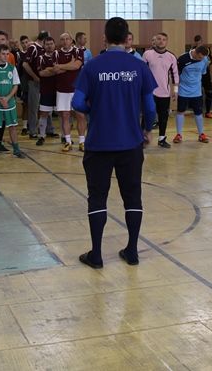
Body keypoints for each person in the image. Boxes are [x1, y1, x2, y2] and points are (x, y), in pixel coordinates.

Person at [71, 17, 157, 268]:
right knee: (133, 197)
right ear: (127, 38)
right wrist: (146, 130)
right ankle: (132, 251)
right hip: (130, 142)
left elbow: (77, 102)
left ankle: (96, 255)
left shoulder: (92, 66)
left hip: (99, 143)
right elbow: (150, 107)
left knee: (98, 197)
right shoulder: (139, 66)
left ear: (104, 38)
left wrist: (95, 109)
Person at [142, 32, 178, 148]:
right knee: (147, 115)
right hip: (150, 92)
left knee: (163, 117)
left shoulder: (171, 57)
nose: (161, 41)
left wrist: (175, 91)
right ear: (155, 40)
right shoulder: (147, 54)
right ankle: (142, 138)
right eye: (159, 39)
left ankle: (162, 139)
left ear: (166, 42)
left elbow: (175, 75)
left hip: (164, 93)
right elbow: (142, 73)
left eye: (164, 39)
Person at [54, 32, 86, 151]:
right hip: (62, 90)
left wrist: (61, 66)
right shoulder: (56, 53)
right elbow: (55, 70)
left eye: (67, 39)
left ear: (71, 40)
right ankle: (68, 141)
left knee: (80, 115)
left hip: (77, 89)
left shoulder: (78, 51)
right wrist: (69, 65)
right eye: (62, 39)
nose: (65, 41)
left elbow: (76, 66)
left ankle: (82, 142)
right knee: (65, 116)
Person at [173, 46, 210, 143]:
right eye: (200, 57)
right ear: (195, 53)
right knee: (180, 111)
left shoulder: (205, 59)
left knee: (198, 112)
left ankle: (201, 134)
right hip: (183, 91)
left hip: (197, 92)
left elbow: (203, 73)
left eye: (203, 58)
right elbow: (176, 75)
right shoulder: (183, 58)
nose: (201, 59)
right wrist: (175, 90)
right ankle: (179, 134)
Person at [35, 36, 59, 146]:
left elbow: (63, 70)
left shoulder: (59, 55)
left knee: (63, 114)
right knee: (44, 114)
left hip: (59, 90)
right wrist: (55, 70)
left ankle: (65, 137)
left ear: (54, 44)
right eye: (47, 44)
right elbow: (42, 73)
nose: (49, 46)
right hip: (46, 90)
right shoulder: (40, 58)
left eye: (51, 44)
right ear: (44, 46)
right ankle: (41, 136)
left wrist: (49, 70)